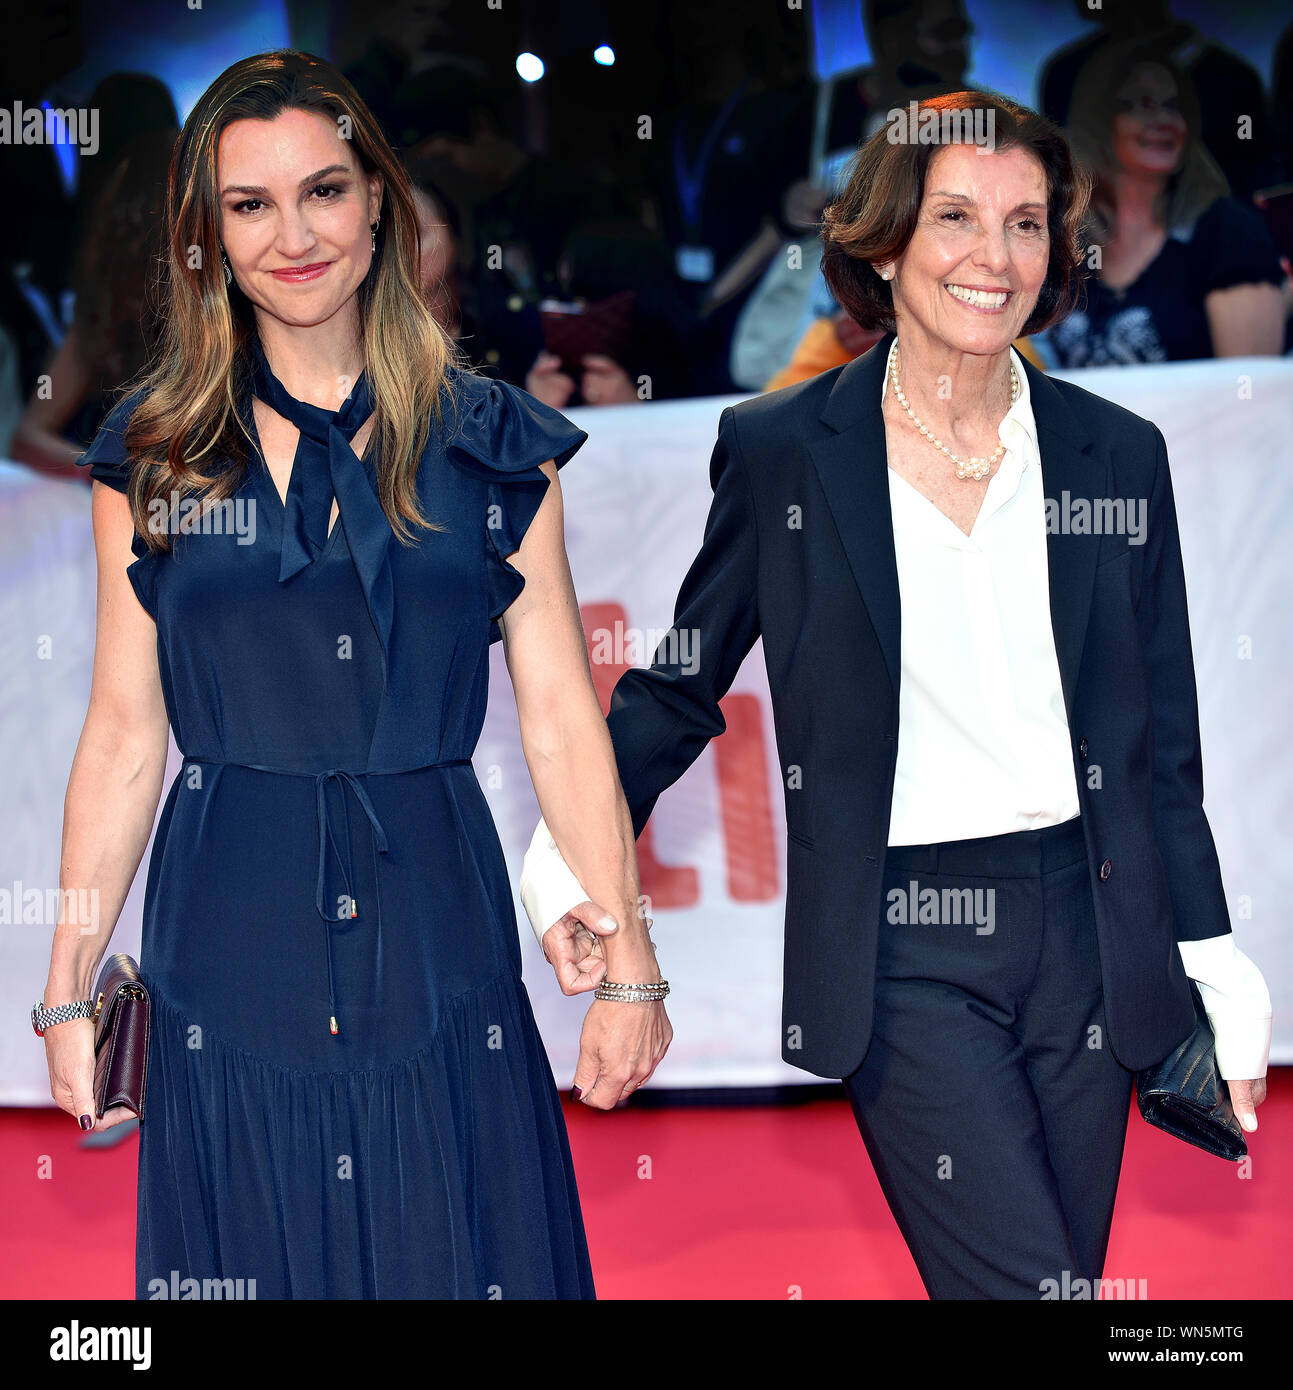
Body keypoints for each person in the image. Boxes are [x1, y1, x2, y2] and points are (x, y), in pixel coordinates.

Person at [520, 92, 1272, 1300]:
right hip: (904, 944)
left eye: (1028, 224)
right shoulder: (785, 450)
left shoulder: (1113, 453)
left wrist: (1216, 957)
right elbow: (677, 686)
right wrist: (565, 852)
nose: (998, 257)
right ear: (882, 243)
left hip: (1091, 929)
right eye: (958, 219)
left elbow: (1160, 745)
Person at [34, 49, 669, 1301]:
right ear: (207, 234)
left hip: (437, 897)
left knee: (459, 1232)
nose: (294, 235)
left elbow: (557, 713)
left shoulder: (491, 443)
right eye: (250, 205)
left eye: (323, 191)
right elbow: (121, 732)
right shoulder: (156, 452)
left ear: (379, 201)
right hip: (230, 911)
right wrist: (67, 986)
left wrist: (633, 963)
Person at [1047, 42, 1285, 366]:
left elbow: (1248, 397)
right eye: (1140, 105)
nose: (1163, 120)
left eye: (1173, 106)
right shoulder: (1063, 231)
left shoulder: (1228, 232)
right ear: (1098, 121)